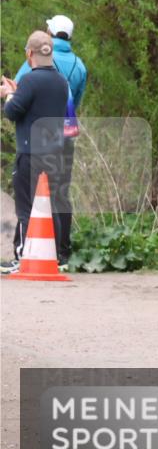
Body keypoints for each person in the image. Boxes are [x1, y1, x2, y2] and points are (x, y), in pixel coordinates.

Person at [14, 15, 86, 265]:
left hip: (37, 139)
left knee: (30, 194)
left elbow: (21, 90)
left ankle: (27, 251)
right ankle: (62, 252)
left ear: (50, 33)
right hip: (64, 134)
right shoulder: (79, 65)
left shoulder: (37, 62)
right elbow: (76, 101)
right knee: (59, 192)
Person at [1, 32, 70, 274]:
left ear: (29, 53)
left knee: (26, 208)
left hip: (30, 152)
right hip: (53, 153)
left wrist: (9, 94)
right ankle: (54, 256)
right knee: (50, 206)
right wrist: (18, 92)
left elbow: (12, 112)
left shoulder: (30, 80)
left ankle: (23, 256)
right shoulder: (61, 82)